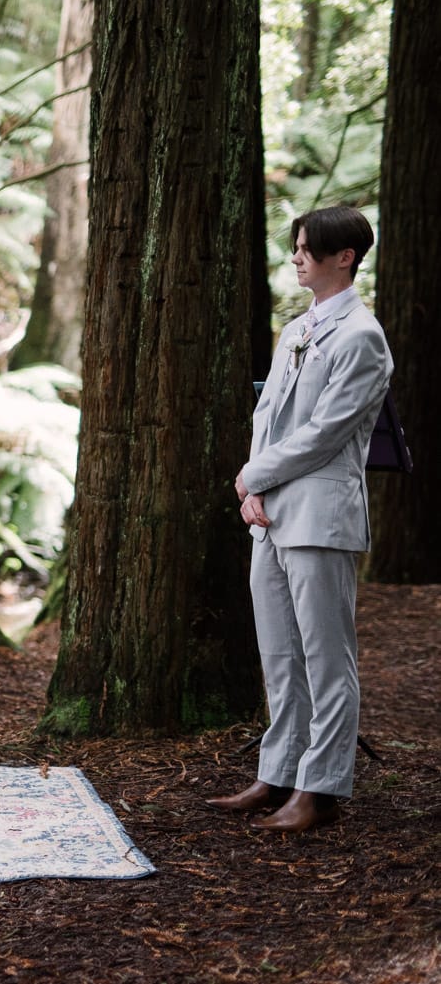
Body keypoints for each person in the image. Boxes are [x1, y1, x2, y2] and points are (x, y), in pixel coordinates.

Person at [208, 205, 393, 833]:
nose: (296, 257)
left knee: (326, 657)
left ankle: (322, 790)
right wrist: (253, 494)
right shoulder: (295, 331)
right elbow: (271, 423)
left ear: (344, 258)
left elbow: (324, 434)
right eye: (295, 247)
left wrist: (251, 476)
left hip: (322, 515)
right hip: (271, 513)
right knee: (280, 656)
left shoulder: (362, 336)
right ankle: (277, 773)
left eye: (307, 249)